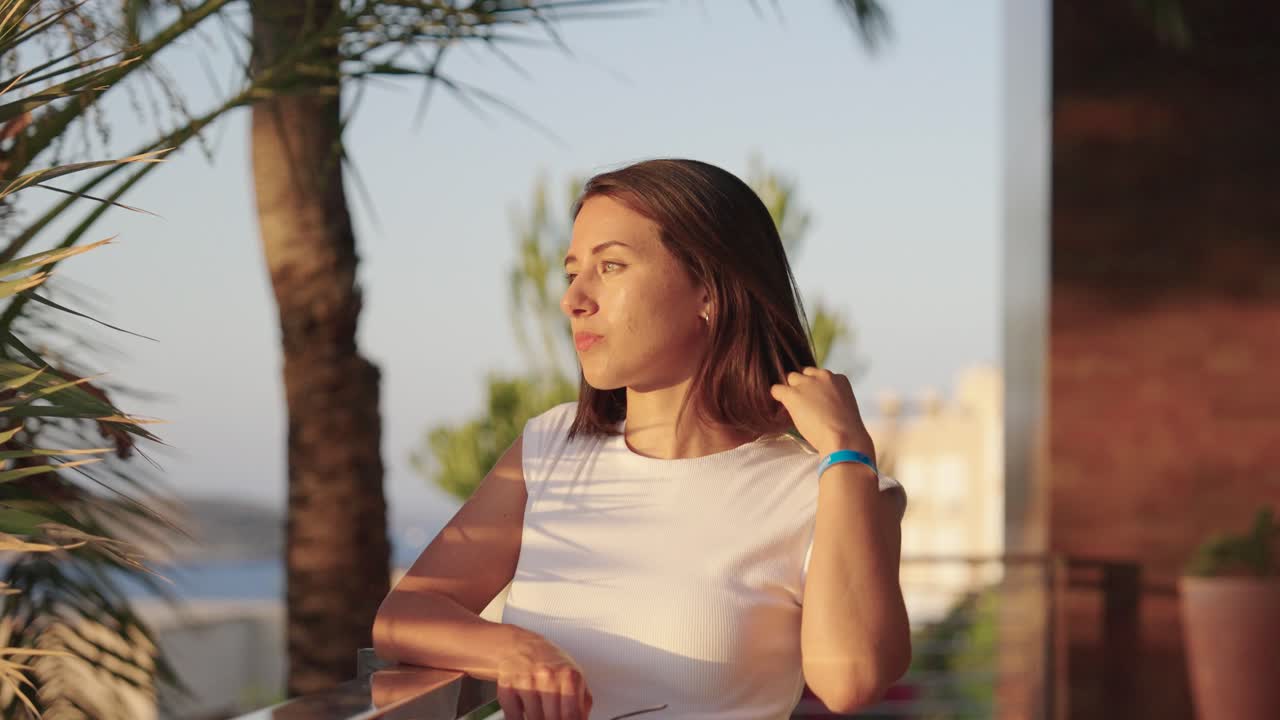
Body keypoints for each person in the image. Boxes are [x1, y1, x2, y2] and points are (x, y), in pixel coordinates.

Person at [372, 158, 911, 720]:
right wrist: (516, 651)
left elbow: (851, 680)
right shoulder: (550, 447)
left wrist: (848, 452)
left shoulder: (826, 486)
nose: (574, 298)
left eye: (610, 267)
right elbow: (402, 615)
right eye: (572, 271)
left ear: (710, 291)